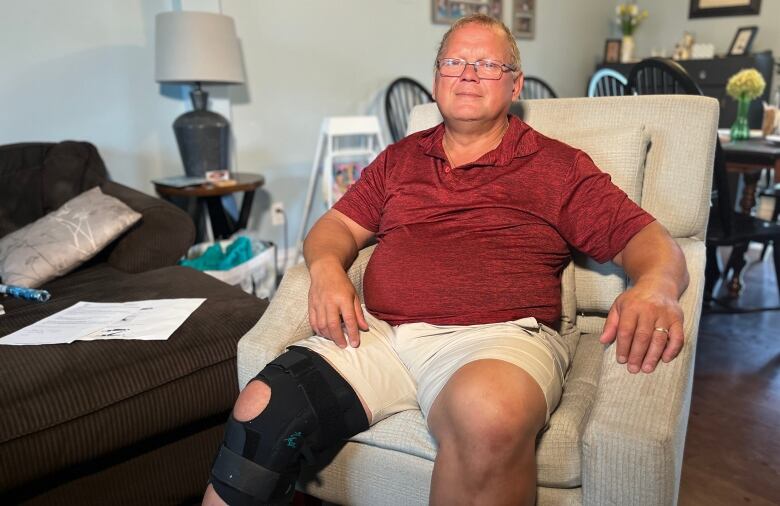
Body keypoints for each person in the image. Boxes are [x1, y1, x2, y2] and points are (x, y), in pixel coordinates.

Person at [203, 13, 688, 506]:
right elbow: (335, 227)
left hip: (495, 340)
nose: (468, 73)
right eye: (454, 61)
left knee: (487, 413)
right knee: (262, 407)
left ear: (515, 83)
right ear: (437, 79)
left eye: (487, 64)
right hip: (379, 335)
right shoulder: (399, 159)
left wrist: (655, 285)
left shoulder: (556, 166)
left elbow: (649, 240)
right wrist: (327, 270)